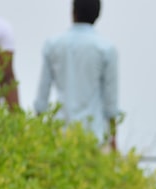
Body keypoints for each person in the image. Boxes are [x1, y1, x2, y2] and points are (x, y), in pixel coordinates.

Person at [34, 0, 120, 149]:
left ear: (73, 12)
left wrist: (37, 132)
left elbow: (42, 98)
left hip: (61, 134)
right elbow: (110, 103)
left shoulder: (53, 45)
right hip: (94, 136)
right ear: (97, 15)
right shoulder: (106, 49)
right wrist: (112, 138)